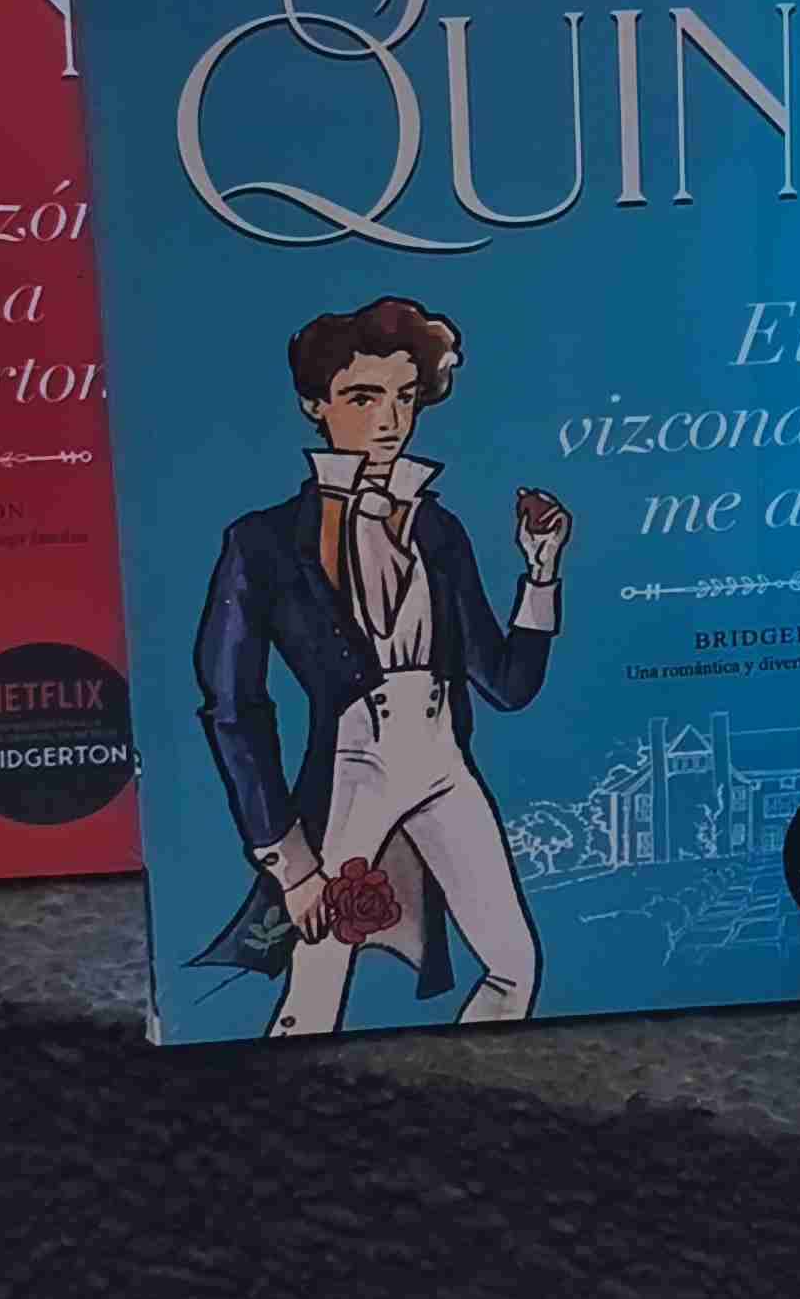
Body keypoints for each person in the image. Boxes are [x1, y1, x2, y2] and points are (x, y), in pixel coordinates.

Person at [185, 296, 573, 1035]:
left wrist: (542, 572)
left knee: (514, 965)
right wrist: (290, 862)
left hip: (444, 766)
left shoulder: (439, 529)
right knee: (315, 989)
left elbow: (507, 684)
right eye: (363, 398)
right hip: (352, 772)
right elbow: (233, 706)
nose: (390, 422)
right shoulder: (262, 542)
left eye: (405, 397)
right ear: (316, 404)